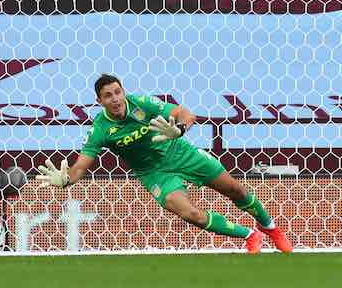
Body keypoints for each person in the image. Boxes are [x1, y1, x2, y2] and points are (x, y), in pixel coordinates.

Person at [38, 74, 293, 253]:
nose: (115, 99)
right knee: (188, 212)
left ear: (123, 92)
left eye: (117, 92)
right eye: (108, 96)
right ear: (99, 101)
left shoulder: (142, 103)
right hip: (153, 173)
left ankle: (270, 228)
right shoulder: (101, 129)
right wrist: (67, 179)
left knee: (234, 189)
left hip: (180, 152)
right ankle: (250, 235)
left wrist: (180, 129)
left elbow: (185, 113)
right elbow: (82, 165)